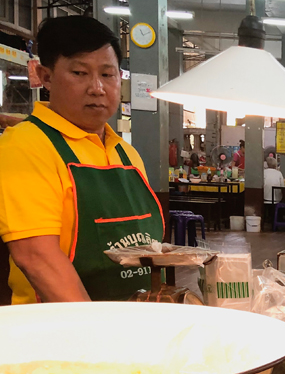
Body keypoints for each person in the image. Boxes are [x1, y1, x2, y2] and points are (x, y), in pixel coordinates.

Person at [0, 16, 164, 305]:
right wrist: (96, 333)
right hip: (60, 332)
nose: (97, 88)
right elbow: (38, 258)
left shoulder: (127, 154)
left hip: (135, 323)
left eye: (108, 74)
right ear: (46, 77)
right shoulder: (25, 146)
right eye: (79, 73)